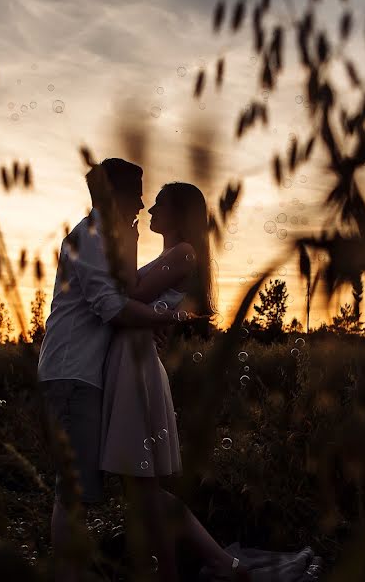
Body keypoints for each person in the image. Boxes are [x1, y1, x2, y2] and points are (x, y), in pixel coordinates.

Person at [36, 158, 180, 582]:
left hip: (83, 377)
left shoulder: (108, 238)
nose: (140, 202)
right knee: (73, 494)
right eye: (136, 192)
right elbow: (113, 308)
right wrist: (167, 319)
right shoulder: (93, 236)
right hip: (71, 376)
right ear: (114, 195)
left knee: (81, 491)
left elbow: (124, 294)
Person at [99, 182, 251, 581]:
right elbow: (139, 303)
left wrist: (127, 242)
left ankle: (220, 563)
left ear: (180, 213)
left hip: (137, 370)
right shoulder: (171, 255)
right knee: (141, 492)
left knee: (143, 490)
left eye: (160, 204)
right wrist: (159, 317)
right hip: (130, 362)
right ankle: (180, 569)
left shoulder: (183, 252)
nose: (150, 210)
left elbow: (125, 293)